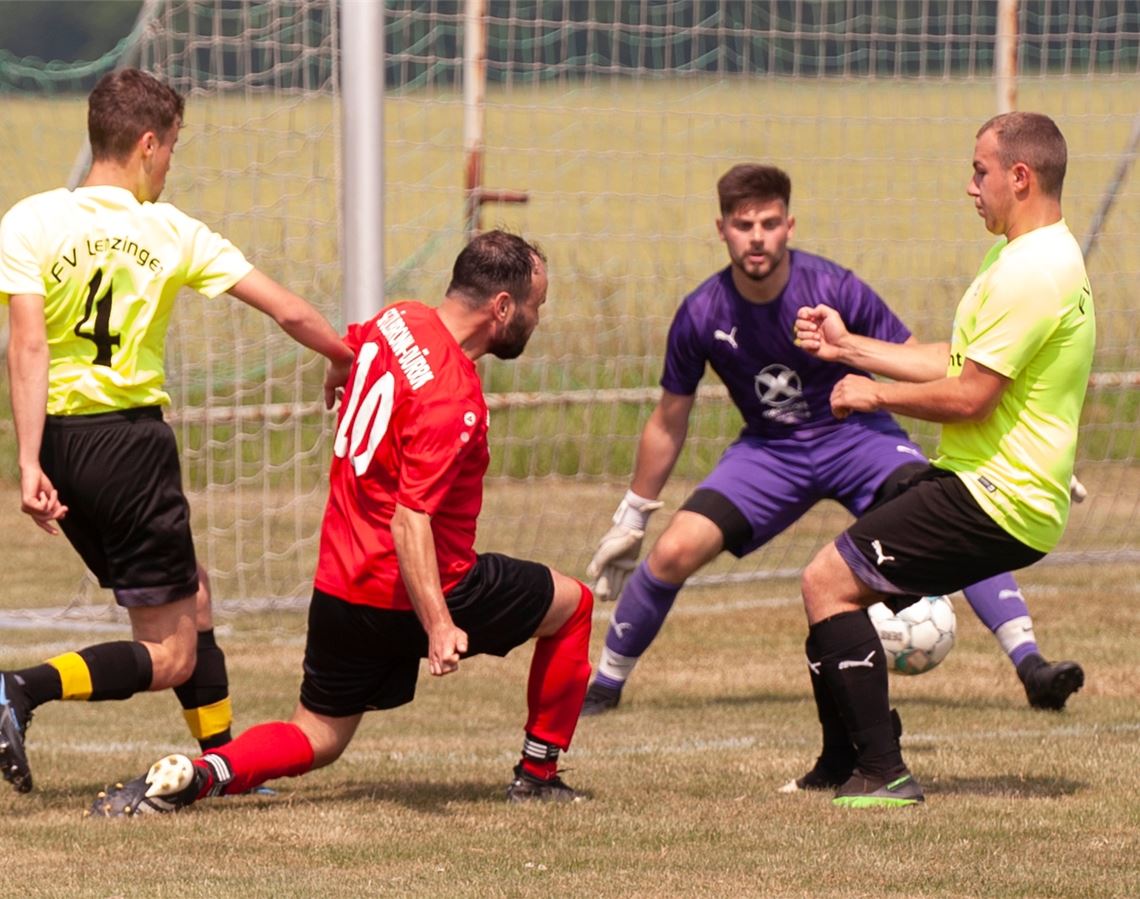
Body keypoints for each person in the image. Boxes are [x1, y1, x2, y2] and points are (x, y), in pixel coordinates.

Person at [86, 229, 593, 817]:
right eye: (536, 305)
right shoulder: (454, 396)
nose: (536, 318)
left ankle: (197, 778)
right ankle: (537, 773)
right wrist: (438, 624)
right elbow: (411, 522)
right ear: (502, 306)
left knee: (318, 737)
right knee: (573, 605)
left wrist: (338, 366)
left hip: (341, 585)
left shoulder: (398, 320)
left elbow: (352, 350)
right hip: (427, 586)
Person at [582, 162, 1085, 731]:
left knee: (955, 507)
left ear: (789, 226)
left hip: (857, 439)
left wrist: (1012, 446)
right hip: (770, 451)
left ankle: (1032, 665)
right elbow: (670, 419)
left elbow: (928, 362)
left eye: (768, 223)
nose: (756, 237)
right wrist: (634, 512)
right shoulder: (702, 312)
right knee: (674, 551)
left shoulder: (833, 287)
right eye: (743, 224)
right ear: (721, 229)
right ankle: (602, 685)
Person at [0, 68, 354, 794]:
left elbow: (26, 346)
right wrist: (348, 357)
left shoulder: (27, 219)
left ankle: (222, 762)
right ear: (148, 144)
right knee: (170, 656)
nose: (171, 166)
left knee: (193, 591)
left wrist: (29, 460)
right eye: (173, 151)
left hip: (65, 444)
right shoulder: (170, 230)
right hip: (130, 447)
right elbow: (285, 310)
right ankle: (17, 688)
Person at [790, 111, 1094, 806]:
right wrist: (848, 346)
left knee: (827, 582)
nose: (970, 185)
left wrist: (873, 395)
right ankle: (845, 761)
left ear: (1020, 176)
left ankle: (881, 770)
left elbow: (969, 396)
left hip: (998, 494)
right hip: (990, 485)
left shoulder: (1034, 272)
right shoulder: (1022, 255)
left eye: (980, 170)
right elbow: (953, 359)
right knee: (835, 583)